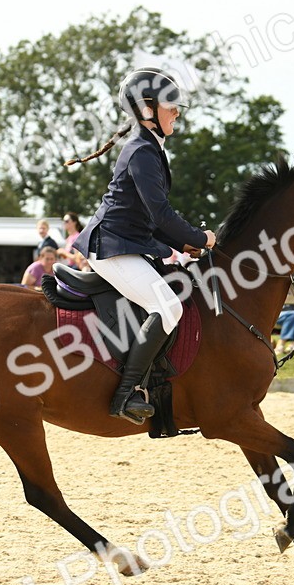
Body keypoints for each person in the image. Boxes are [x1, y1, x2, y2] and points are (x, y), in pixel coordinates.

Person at [66, 67, 216, 424]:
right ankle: (125, 394)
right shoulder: (142, 152)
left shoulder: (150, 148)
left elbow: (152, 220)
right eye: (171, 105)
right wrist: (201, 238)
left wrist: (185, 245)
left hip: (129, 244)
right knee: (168, 307)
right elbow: (161, 214)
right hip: (112, 248)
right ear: (147, 110)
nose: (177, 111)